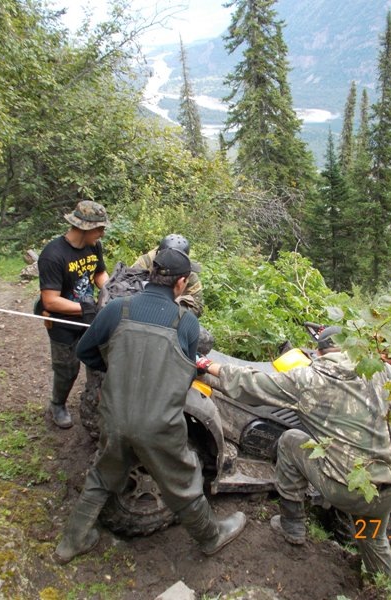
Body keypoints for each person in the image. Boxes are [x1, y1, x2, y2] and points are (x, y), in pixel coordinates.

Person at [52, 247, 246, 564]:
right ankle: (211, 537)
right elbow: (186, 367)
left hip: (115, 414)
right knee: (183, 480)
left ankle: (72, 542)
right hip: (159, 421)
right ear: (180, 283)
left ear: (151, 274)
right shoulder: (186, 324)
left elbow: (85, 352)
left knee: (103, 473)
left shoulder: (117, 309)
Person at [196, 326, 391, 577]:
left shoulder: (308, 379)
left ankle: (292, 526)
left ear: (319, 352)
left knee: (290, 440)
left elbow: (252, 383)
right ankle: (383, 586)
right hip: (390, 485)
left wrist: (206, 365)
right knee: (374, 537)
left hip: (346, 487)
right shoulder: (382, 371)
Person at [37, 200, 110, 429]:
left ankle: (94, 403)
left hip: (88, 318)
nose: (102, 233)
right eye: (100, 228)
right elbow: (50, 300)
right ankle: (57, 404)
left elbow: (99, 274)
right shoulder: (53, 254)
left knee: (97, 363)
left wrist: (111, 293)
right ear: (86, 227)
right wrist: (87, 308)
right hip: (62, 322)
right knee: (67, 368)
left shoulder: (93, 246)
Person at [132, 233, 204, 316]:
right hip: (141, 305)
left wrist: (174, 307)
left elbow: (197, 306)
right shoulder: (145, 262)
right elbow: (127, 286)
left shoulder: (188, 271)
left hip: (172, 313)